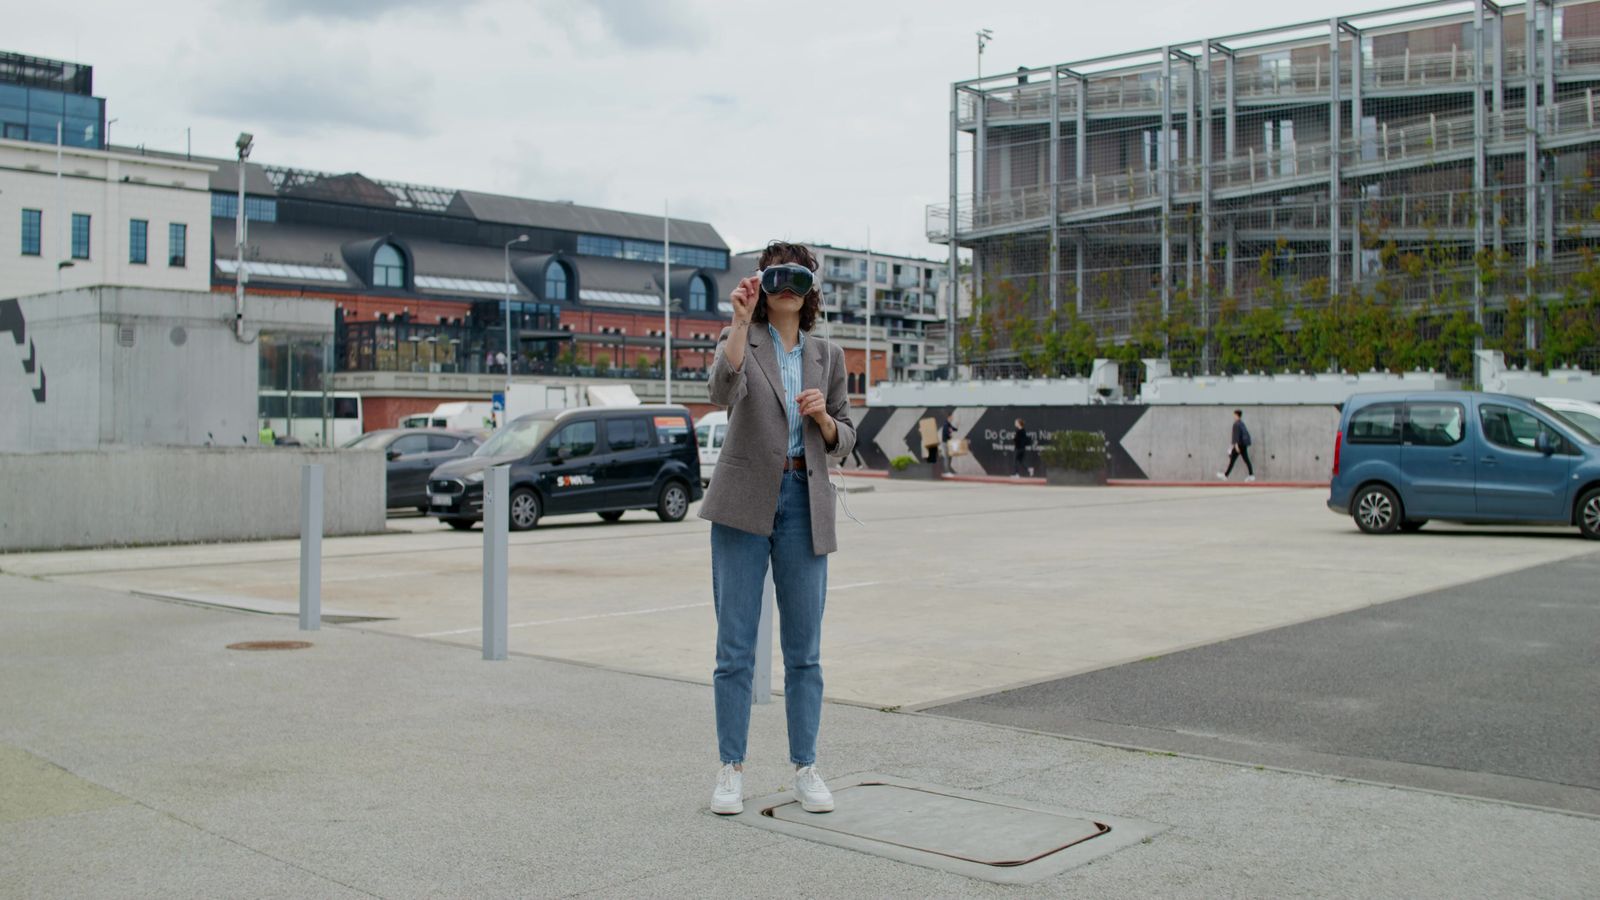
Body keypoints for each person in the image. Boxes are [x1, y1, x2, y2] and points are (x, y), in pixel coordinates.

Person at [699, 241, 856, 817]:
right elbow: (720, 392)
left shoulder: (828, 355)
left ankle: (806, 766)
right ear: (762, 285)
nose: (787, 285)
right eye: (776, 276)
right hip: (743, 501)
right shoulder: (744, 337)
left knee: (805, 651)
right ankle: (731, 769)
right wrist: (738, 324)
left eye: (798, 276)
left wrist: (821, 419)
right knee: (734, 646)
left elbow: (847, 437)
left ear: (811, 288)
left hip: (804, 500)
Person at [1218, 409, 1256, 482]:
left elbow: (1236, 436)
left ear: (1236, 415)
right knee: (1245, 460)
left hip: (1239, 445)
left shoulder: (1236, 424)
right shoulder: (1242, 423)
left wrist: (1236, 446)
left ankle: (1225, 476)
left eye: (1234, 415)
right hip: (1243, 444)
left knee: (1233, 460)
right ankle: (1251, 475)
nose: (1233, 416)